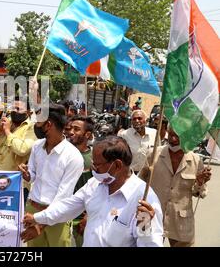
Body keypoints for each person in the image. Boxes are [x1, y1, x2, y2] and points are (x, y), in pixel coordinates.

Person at [21, 136, 164, 247]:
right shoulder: (94, 185)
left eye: (97, 165)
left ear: (117, 165)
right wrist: (37, 218)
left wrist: (145, 228)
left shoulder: (144, 199)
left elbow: (150, 243)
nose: (93, 169)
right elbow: (67, 207)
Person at [18, 104, 84, 247]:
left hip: (57, 217)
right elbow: (33, 175)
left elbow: (63, 197)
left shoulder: (73, 157)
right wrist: (27, 174)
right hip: (33, 210)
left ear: (48, 124)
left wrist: (40, 224)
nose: (35, 125)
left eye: (38, 122)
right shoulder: (37, 146)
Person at [139, 127, 211, 247]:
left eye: (177, 136)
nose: (172, 139)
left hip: (181, 220)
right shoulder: (154, 154)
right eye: (171, 134)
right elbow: (140, 182)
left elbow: (200, 193)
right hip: (151, 215)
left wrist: (200, 182)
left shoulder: (195, 160)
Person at [65, 115, 94, 247]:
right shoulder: (62, 153)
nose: (71, 132)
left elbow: (98, 189)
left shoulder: (94, 159)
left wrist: (89, 215)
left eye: (76, 129)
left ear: (87, 135)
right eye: (70, 128)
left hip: (82, 220)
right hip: (62, 216)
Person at [118, 110, 156, 174]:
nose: (137, 121)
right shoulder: (124, 135)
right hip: (131, 174)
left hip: (149, 174)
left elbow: (158, 152)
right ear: (131, 121)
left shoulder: (154, 133)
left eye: (139, 118)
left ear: (146, 121)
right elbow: (120, 155)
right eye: (134, 119)